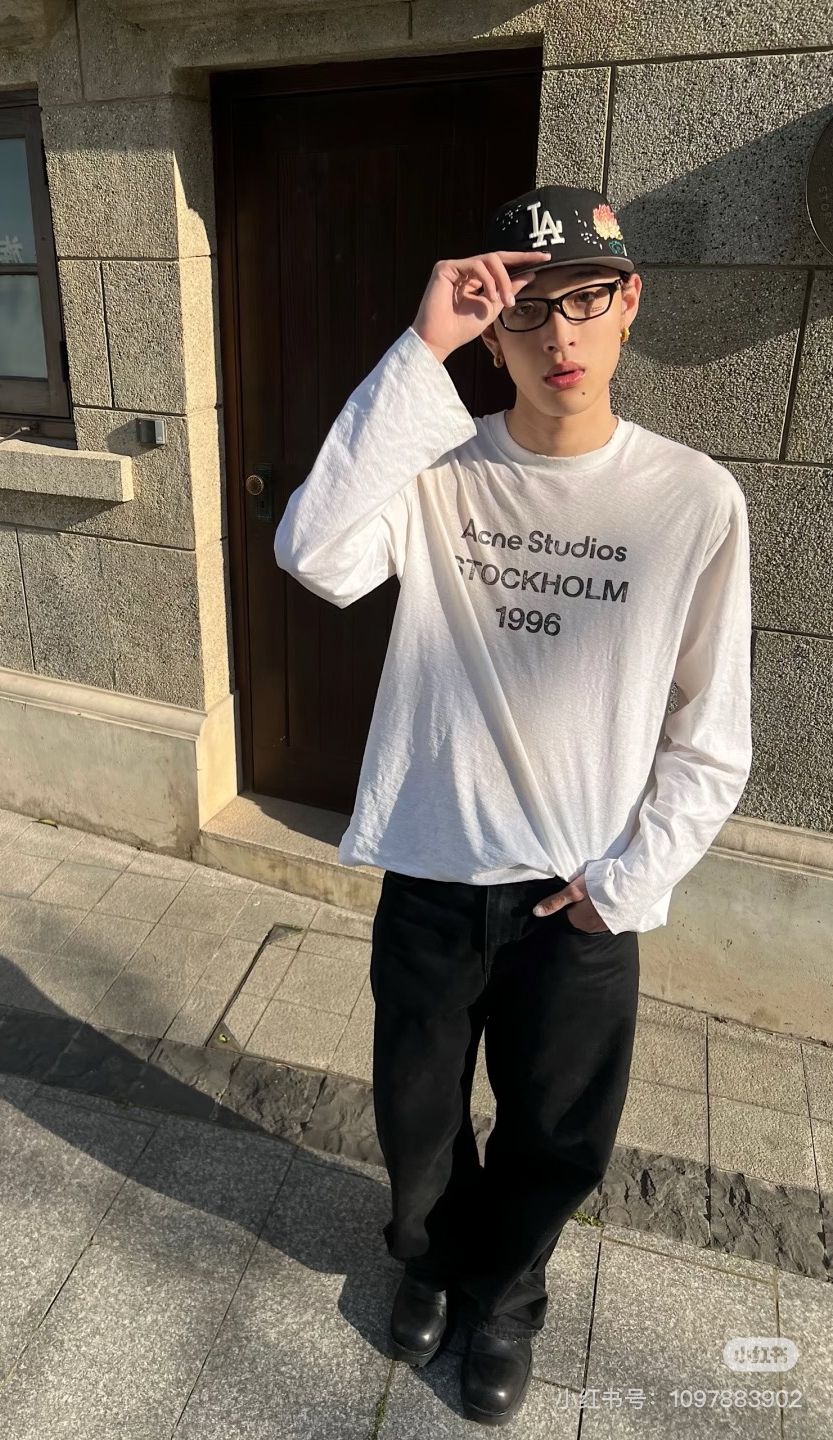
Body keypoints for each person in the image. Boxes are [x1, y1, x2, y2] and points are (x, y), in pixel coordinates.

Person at [272, 184, 753, 1425]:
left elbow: (714, 730)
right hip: (434, 871)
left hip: (576, 895)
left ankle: (508, 1297)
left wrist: (627, 884)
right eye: (527, 312)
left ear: (630, 304)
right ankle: (432, 1263)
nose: (560, 338)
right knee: (418, 1121)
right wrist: (421, 344)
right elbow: (313, 553)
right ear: (496, 335)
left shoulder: (693, 498)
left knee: (558, 1136)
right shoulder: (439, 468)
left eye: (585, 302)